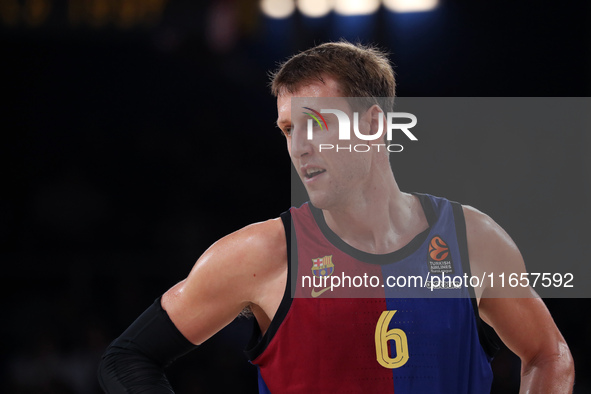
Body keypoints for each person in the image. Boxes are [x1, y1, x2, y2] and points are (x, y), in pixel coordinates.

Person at [98, 41, 574, 393]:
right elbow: (128, 358)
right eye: (288, 128)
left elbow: (548, 354)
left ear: (372, 123)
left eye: (317, 123)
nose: (299, 147)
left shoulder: (472, 238)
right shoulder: (262, 253)